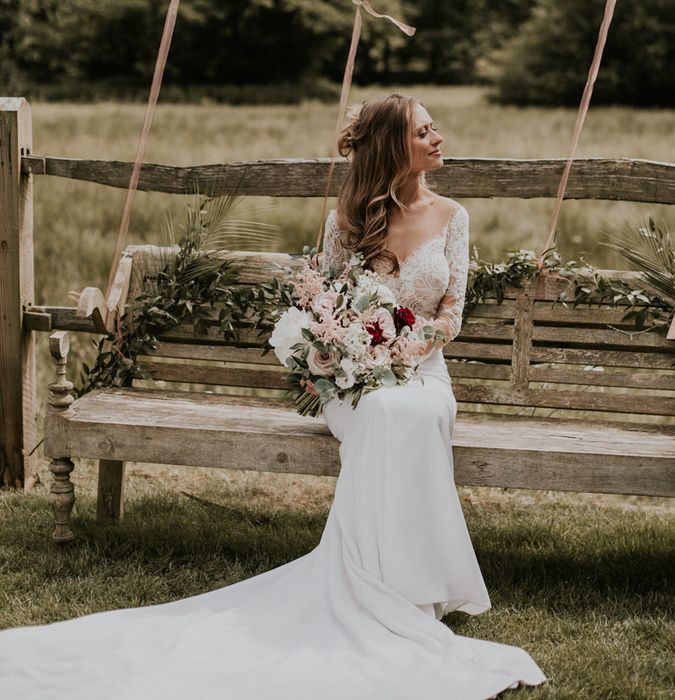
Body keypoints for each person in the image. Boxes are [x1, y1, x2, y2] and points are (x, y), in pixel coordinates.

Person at [0, 93, 546, 699]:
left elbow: (453, 314)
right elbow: (326, 309)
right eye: (425, 131)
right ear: (396, 146)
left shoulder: (453, 216)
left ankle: (414, 586)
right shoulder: (347, 221)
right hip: (353, 379)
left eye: (434, 128)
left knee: (411, 411)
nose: (439, 138)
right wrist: (358, 355)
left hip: (425, 373)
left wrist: (403, 352)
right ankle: (382, 586)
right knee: (386, 411)